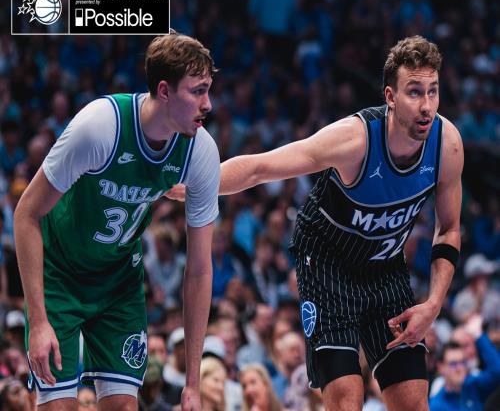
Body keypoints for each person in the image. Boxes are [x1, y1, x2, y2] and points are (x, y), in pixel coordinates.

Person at [168, 35, 463, 410]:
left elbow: (449, 228)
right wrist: (197, 185)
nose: (426, 106)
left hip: (385, 269)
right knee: (346, 399)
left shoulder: (447, 145)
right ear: (390, 96)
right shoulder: (354, 140)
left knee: (413, 402)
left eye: (433, 91)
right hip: (327, 264)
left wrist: (434, 303)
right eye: (415, 92)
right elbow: (260, 168)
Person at [14, 31, 220, 411]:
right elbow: (26, 214)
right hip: (60, 273)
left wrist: (193, 381)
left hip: (118, 281)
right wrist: (38, 320)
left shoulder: (200, 151)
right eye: (198, 91)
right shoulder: (100, 126)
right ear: (164, 91)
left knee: (125, 405)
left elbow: (199, 270)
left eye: (208, 90)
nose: (208, 104)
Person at [429, 316, 500, 411]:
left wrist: (479, 336)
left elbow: (497, 372)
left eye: (462, 362)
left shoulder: (471, 385)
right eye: (453, 364)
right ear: (441, 367)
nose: (460, 368)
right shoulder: (436, 406)